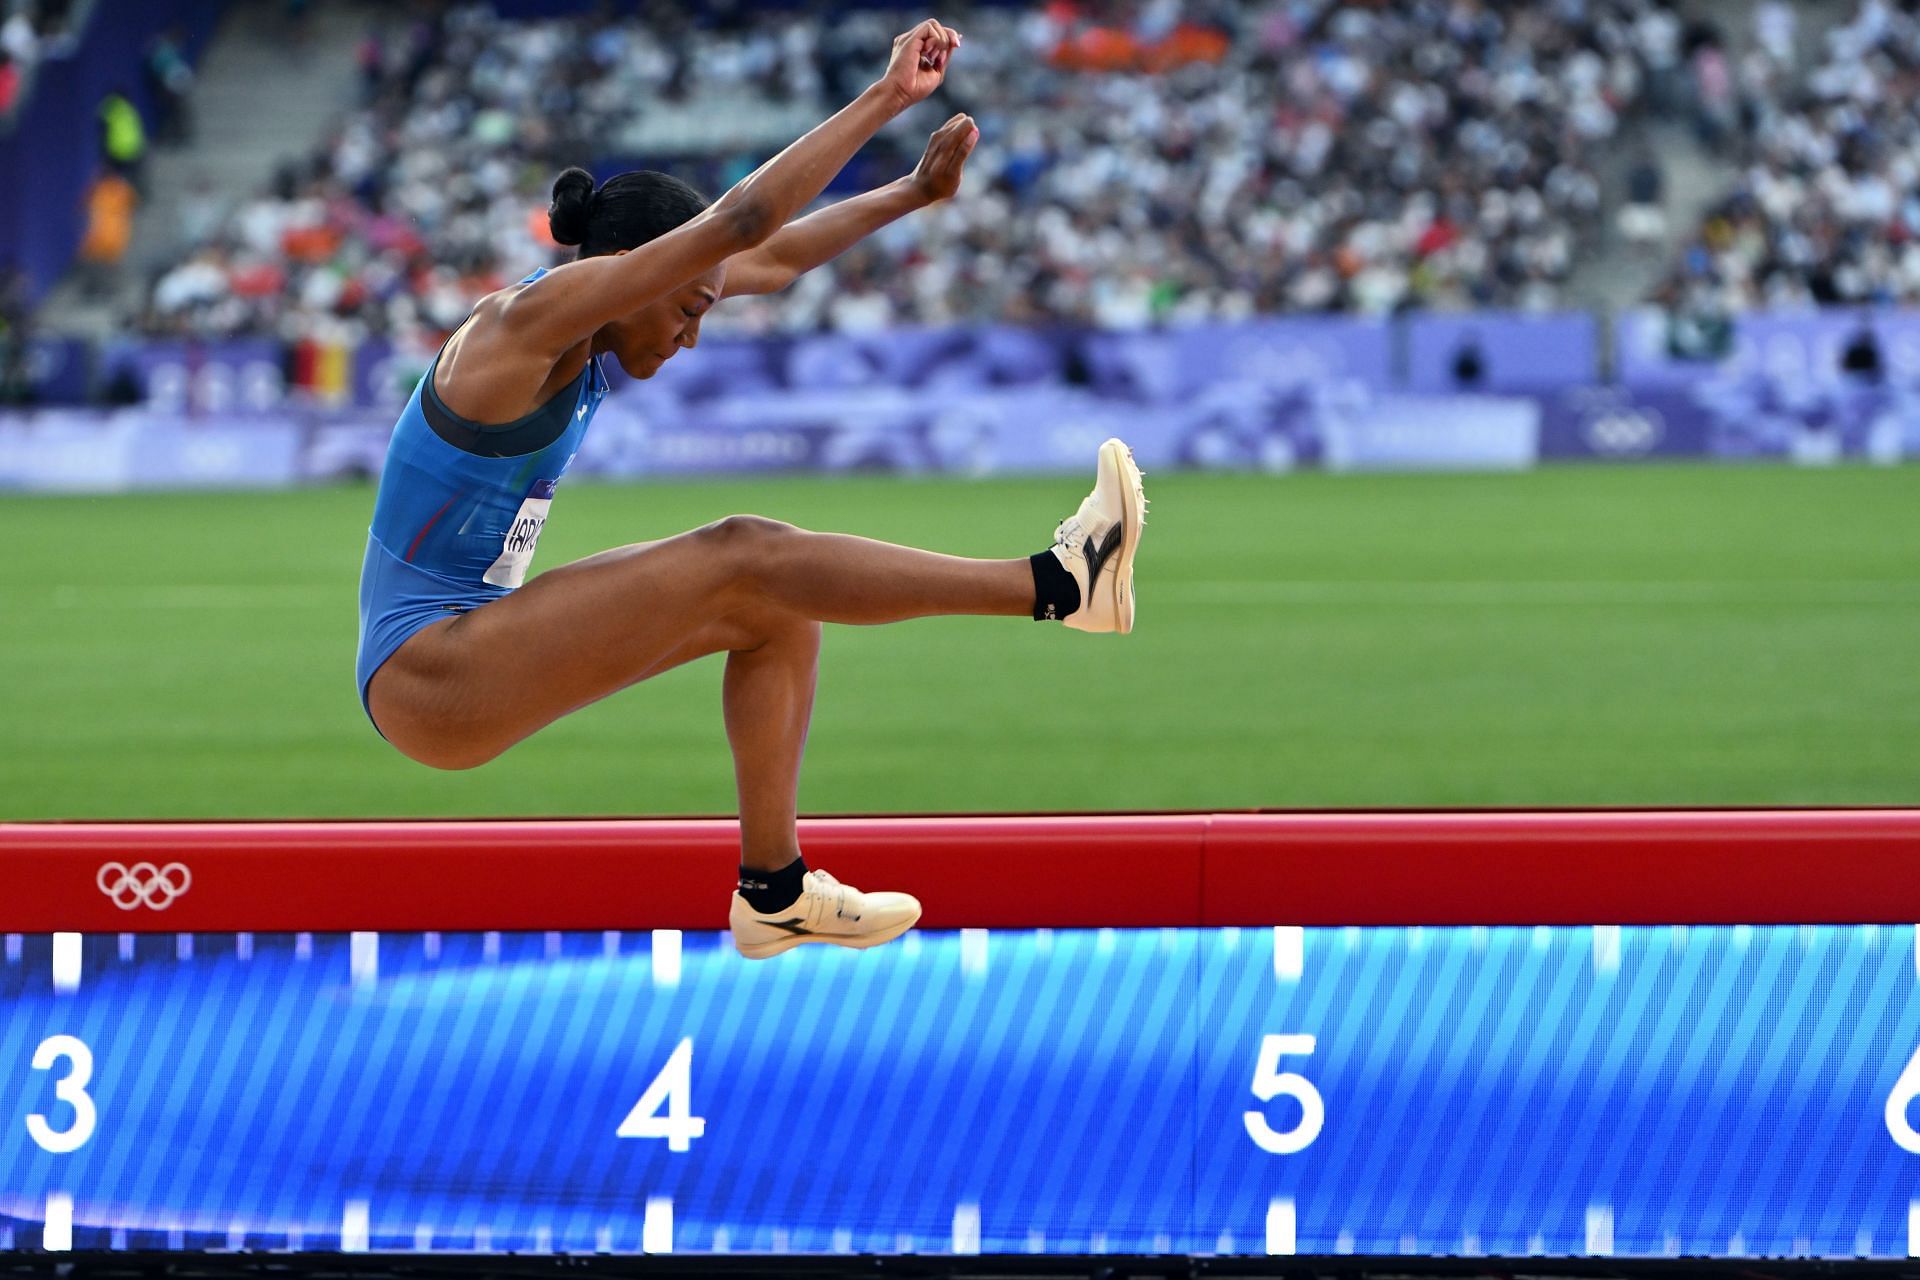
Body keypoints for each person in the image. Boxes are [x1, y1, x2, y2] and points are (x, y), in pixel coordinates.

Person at [356, 20, 1147, 960]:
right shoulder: (524, 325)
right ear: (627, 275)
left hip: (470, 639)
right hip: (432, 672)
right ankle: (1059, 585)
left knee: (778, 604)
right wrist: (890, 99)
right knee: (745, 551)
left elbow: (761, 261)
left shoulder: (607, 320)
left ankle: (774, 891)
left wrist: (913, 191)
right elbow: (741, 226)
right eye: (688, 306)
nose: (693, 332)